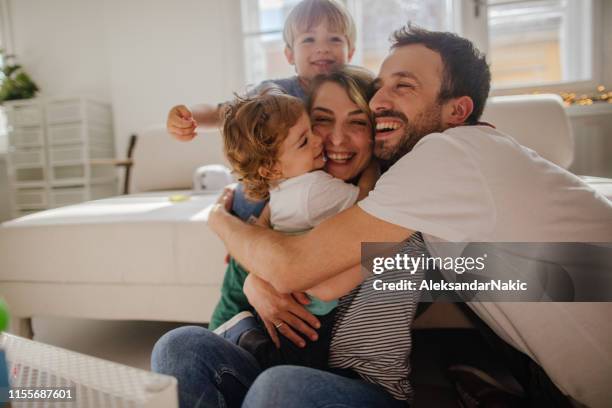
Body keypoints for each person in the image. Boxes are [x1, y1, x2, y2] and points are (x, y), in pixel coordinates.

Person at [207, 25, 612, 408]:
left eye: (403, 86)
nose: (380, 100)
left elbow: (298, 270)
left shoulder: (447, 156)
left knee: (280, 388)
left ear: (458, 110)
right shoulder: (438, 187)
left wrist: (221, 222)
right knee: (183, 346)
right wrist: (259, 274)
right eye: (380, 87)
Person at [153, 67, 414, 408]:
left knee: (279, 387)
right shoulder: (296, 192)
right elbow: (266, 235)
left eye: (357, 122)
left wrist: (227, 231)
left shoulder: (396, 201)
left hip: (365, 388)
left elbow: (311, 278)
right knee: (178, 346)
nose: (333, 139)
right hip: (280, 365)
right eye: (320, 121)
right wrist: (252, 277)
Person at [169, 0, 358, 330]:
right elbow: (222, 110)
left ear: (351, 50)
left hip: (308, 214)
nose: (323, 49)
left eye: (335, 40)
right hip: (261, 209)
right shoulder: (275, 94)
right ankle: (232, 319)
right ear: (289, 55)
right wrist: (188, 116)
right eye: (309, 40)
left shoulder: (358, 90)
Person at [215, 87, 377, 371]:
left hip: (290, 293)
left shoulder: (279, 187)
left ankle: (235, 334)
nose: (320, 141)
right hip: (308, 311)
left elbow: (260, 225)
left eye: (311, 130)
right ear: (271, 169)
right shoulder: (314, 189)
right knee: (298, 361)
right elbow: (367, 202)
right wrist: (372, 170)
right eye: (305, 141)